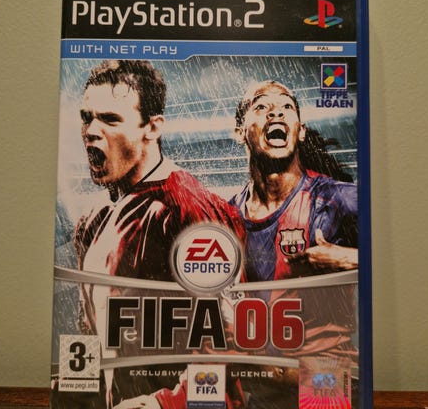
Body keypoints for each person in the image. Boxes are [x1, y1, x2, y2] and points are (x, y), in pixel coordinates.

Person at [67, 60, 245, 409]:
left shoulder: (185, 204)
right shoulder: (92, 222)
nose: (91, 130)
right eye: (87, 117)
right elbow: (89, 334)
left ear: (152, 127)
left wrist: (164, 403)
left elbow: (230, 341)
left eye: (110, 119)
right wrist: (75, 389)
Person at [230, 80, 359, 405]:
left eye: (287, 106)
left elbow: (406, 259)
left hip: (324, 386)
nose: (276, 111)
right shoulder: (227, 216)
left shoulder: (336, 199)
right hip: (260, 393)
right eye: (261, 105)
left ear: (300, 131)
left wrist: (349, 259)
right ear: (240, 132)